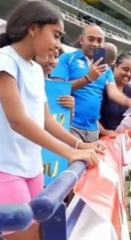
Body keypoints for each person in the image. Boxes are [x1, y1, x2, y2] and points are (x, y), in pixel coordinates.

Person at [0, 2, 103, 240]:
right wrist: (69, 153)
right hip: (5, 169)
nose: (58, 45)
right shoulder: (5, 61)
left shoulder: (36, 70)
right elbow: (18, 120)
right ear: (33, 29)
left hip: (32, 167)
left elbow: (46, 119)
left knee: (41, 231)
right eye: (55, 36)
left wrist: (79, 146)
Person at [50, 25, 131, 143]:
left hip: (93, 130)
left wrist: (130, 102)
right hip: (70, 126)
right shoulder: (67, 58)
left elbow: (113, 92)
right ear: (81, 39)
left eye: (99, 41)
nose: (95, 44)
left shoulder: (105, 69)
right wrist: (88, 78)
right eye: (91, 39)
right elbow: (56, 88)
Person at [34, 47, 75, 113]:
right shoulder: (26, 82)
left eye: (55, 57)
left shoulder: (57, 88)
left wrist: (70, 108)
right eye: (47, 56)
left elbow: (63, 120)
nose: (52, 61)